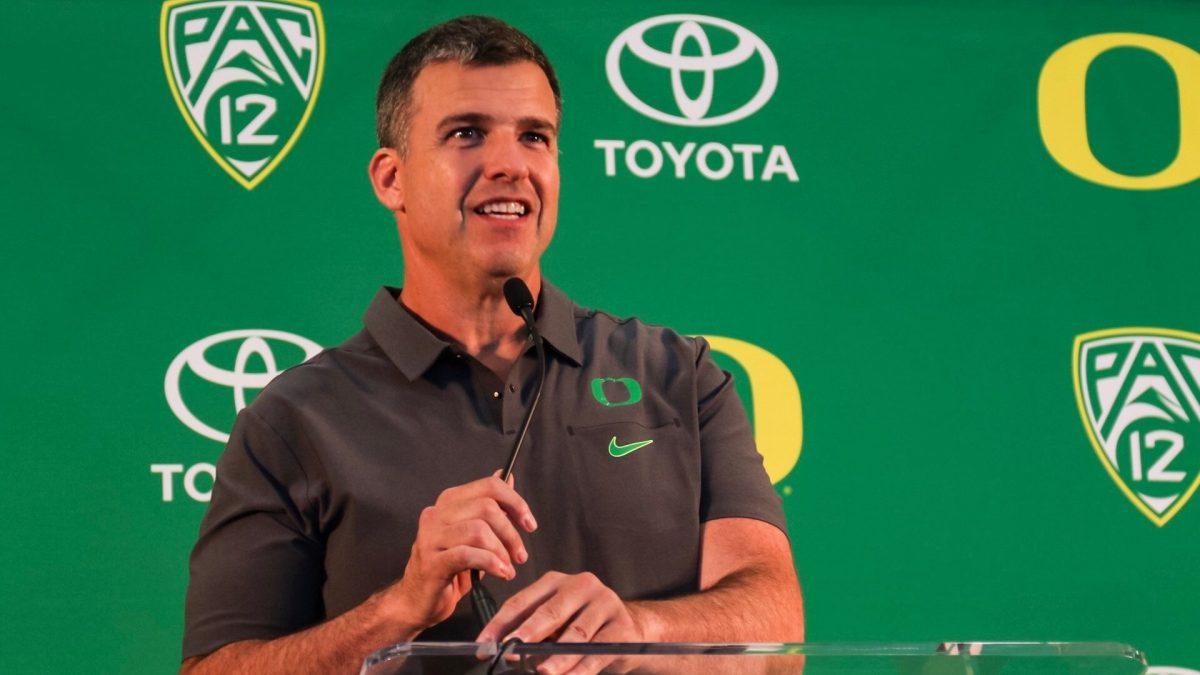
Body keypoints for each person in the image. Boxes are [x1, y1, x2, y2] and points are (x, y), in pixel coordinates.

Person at [180, 15, 804, 674]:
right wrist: (401, 606)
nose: (509, 164)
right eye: (467, 134)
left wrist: (637, 628)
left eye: (534, 137)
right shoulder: (293, 421)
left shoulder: (680, 375)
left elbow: (776, 634)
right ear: (391, 178)